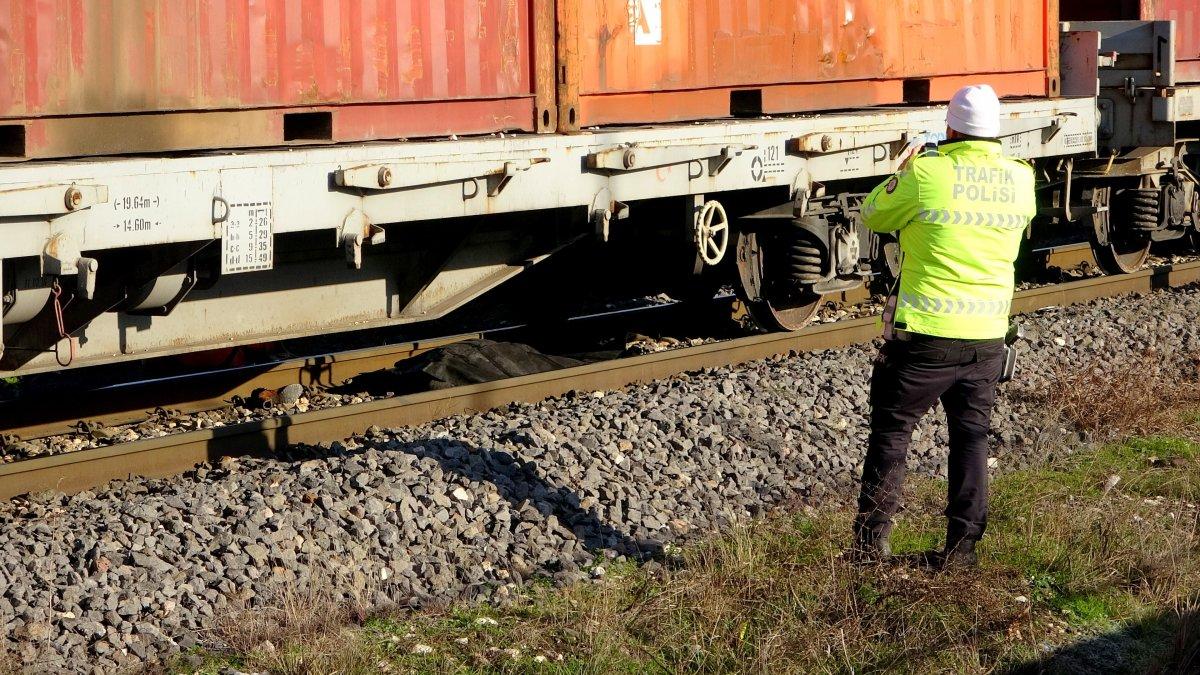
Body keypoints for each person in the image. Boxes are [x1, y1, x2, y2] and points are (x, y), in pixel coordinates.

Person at [851, 84, 1036, 569]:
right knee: (972, 438)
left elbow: (873, 212)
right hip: (987, 340)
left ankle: (870, 550)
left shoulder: (927, 173)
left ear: (950, 128)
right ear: (995, 132)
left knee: (892, 434)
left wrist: (907, 167)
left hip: (926, 339)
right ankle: (961, 553)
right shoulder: (1020, 179)